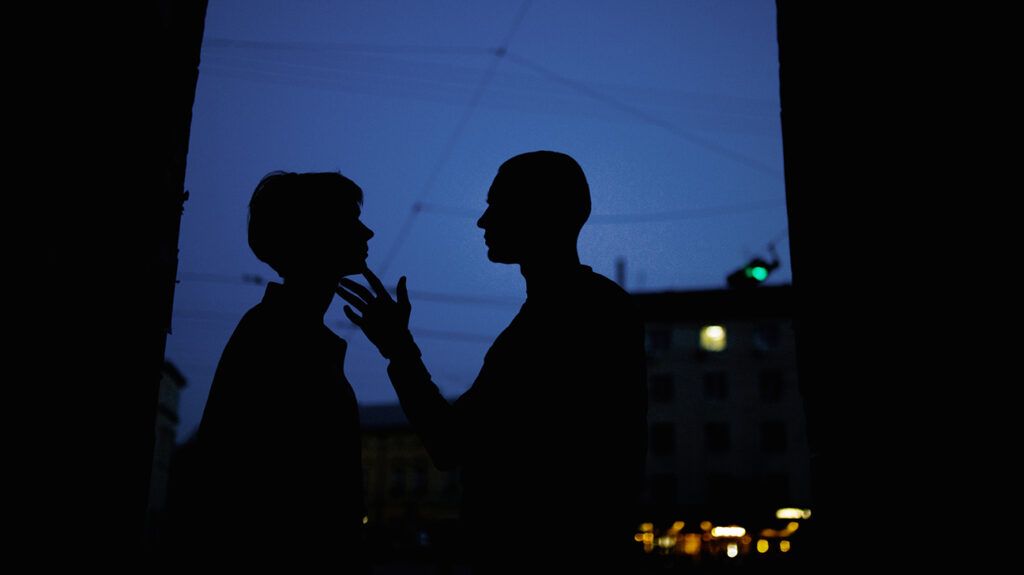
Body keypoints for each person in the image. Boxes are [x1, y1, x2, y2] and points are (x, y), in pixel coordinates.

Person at [337, 151, 647, 573]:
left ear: (539, 212)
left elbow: (448, 443)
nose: (483, 221)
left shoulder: (555, 321)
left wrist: (398, 349)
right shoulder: (593, 308)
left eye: (497, 204)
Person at [193, 171, 373, 566]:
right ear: (314, 233)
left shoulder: (280, 329)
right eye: (350, 220)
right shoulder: (277, 335)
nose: (368, 232)